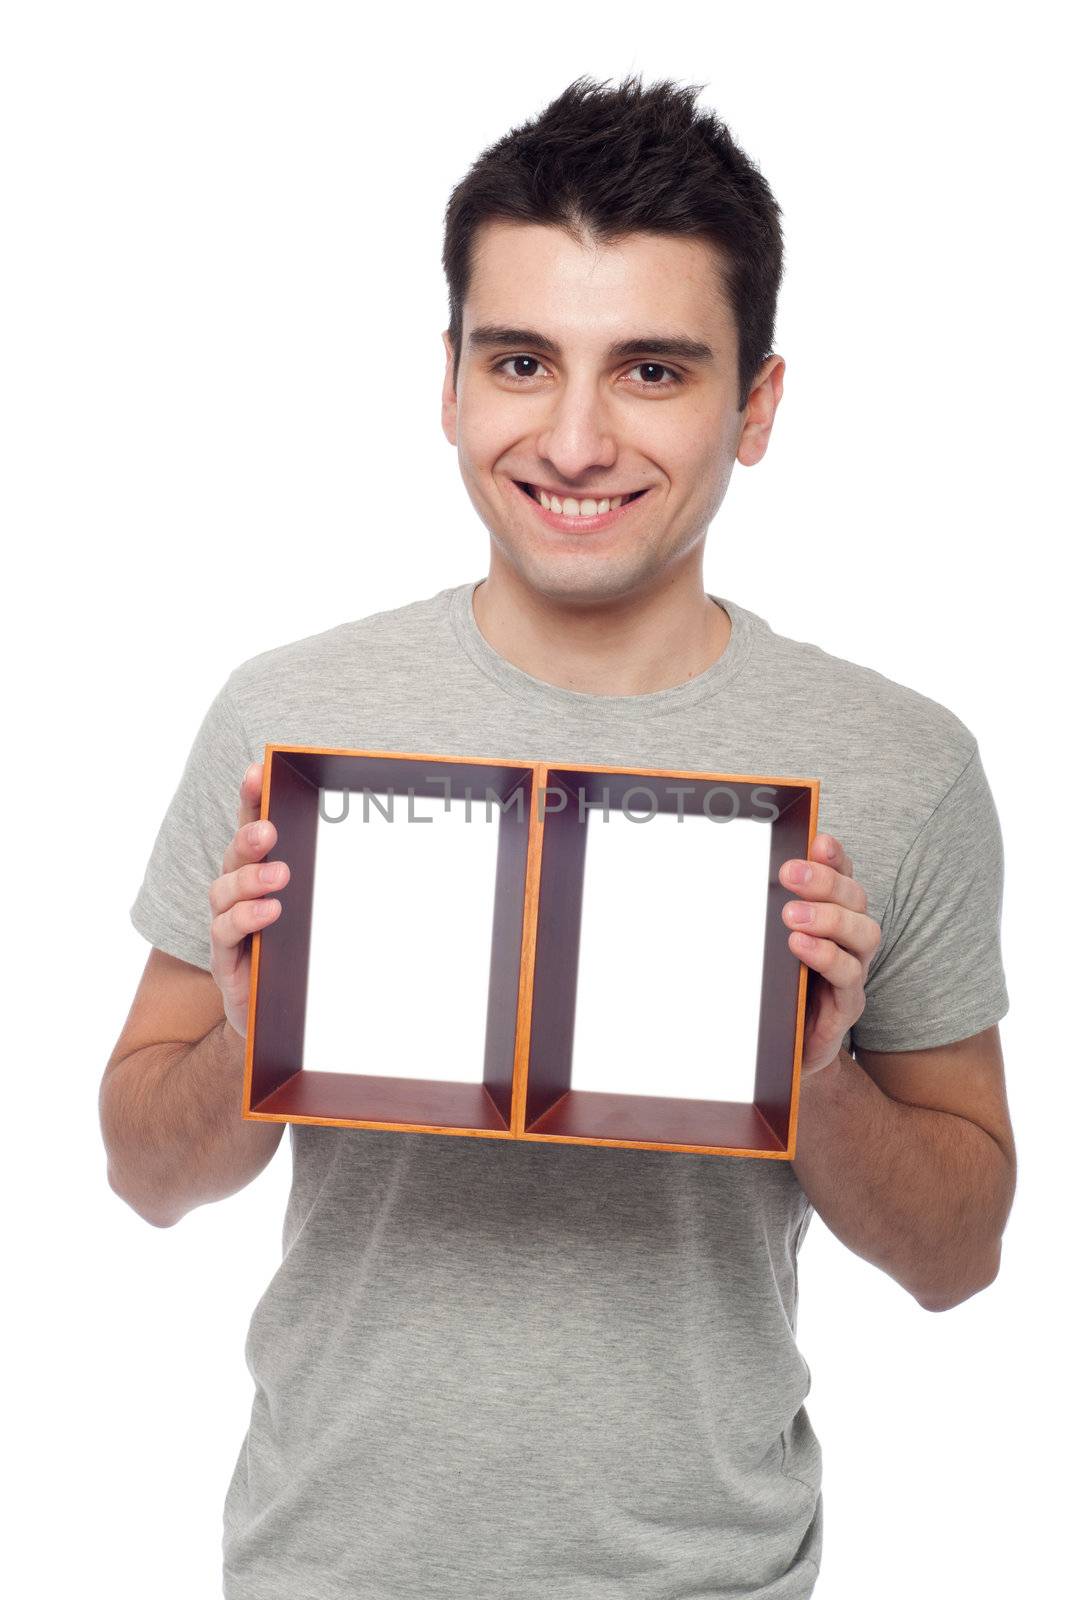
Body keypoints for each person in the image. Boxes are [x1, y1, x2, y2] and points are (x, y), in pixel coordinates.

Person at [99, 73, 1016, 1600]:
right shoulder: (287, 712)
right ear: (449, 382)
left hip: (704, 1575)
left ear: (758, 404)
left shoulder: (898, 765)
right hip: (326, 1565)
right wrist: (249, 1035)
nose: (574, 439)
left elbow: (958, 1254)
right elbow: (143, 1171)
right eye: (521, 360)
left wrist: (813, 1077)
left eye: (651, 369)